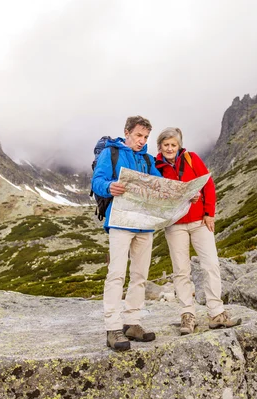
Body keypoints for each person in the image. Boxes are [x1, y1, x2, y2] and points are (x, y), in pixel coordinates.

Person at [155, 127, 241, 335]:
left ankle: (216, 313)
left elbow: (207, 184)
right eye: (165, 145)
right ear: (160, 146)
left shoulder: (192, 158)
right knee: (181, 270)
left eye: (173, 145)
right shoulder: (155, 166)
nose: (169, 148)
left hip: (200, 222)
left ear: (179, 145)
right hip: (175, 225)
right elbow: (156, 195)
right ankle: (187, 315)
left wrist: (209, 213)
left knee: (210, 264)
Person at [91, 115, 162, 351]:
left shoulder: (148, 160)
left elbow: (159, 184)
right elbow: (97, 182)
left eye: (146, 137)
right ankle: (112, 328)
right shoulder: (110, 153)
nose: (142, 141)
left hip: (144, 223)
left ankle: (132, 323)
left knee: (140, 275)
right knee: (117, 274)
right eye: (139, 135)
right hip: (120, 221)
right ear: (127, 132)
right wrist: (110, 187)